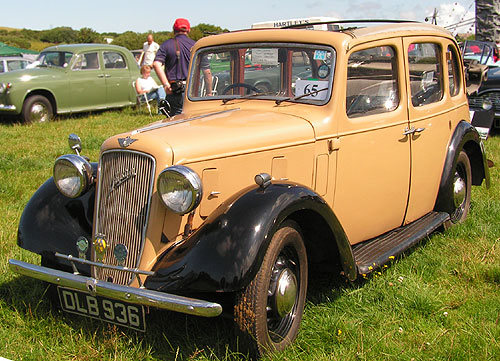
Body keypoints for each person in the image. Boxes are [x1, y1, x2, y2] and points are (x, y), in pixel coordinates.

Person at [153, 18, 212, 116]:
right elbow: (207, 72)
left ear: (173, 30)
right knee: (194, 119)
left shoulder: (166, 45)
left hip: (174, 90)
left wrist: (166, 85)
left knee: (175, 121)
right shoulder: (196, 46)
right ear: (188, 30)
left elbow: (156, 64)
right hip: (193, 91)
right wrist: (209, 92)